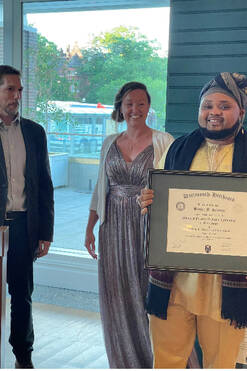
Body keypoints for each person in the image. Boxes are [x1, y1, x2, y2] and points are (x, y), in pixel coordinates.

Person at [140, 72, 247, 369]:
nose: (213, 112)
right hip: (175, 279)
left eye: (224, 106)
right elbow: (157, 195)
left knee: (220, 362)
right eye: (207, 105)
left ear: (242, 111)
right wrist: (148, 200)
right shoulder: (178, 149)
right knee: (167, 359)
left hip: (226, 283)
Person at [84, 81, 174, 368]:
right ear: (120, 108)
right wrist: (90, 227)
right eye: (129, 103)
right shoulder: (109, 143)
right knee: (118, 297)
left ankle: (161, 362)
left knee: (150, 298)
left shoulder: (164, 141)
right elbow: (101, 187)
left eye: (141, 103)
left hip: (150, 229)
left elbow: (174, 189)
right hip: (112, 229)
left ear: (148, 107)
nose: (135, 109)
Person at [0, 65, 54, 368]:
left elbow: (44, 186)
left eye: (19, 89)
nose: (17, 95)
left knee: (22, 296)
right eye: (10, 89)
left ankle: (23, 357)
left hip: (22, 226)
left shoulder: (34, 132)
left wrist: (45, 231)